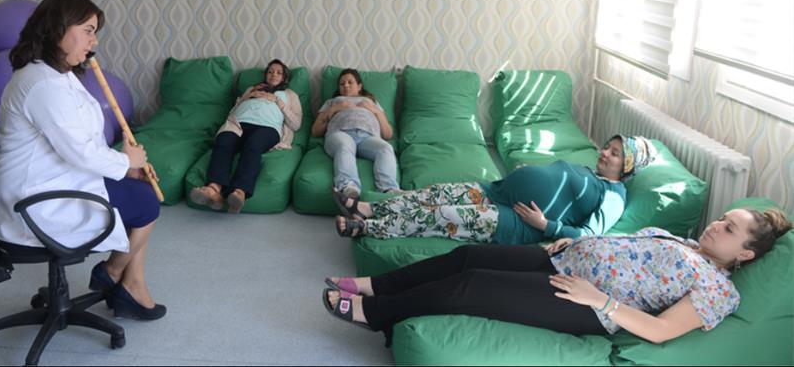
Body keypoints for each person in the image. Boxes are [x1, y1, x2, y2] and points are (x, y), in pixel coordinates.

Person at [323, 207, 793, 345]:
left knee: (474, 285)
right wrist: (571, 242)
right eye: (722, 218)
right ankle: (376, 284)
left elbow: (661, 330)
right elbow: (625, 246)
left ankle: (376, 313)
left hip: (585, 303)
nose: (716, 225)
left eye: (729, 229)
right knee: (468, 255)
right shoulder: (684, 242)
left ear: (745, 254)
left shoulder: (717, 289)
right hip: (564, 260)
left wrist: (598, 300)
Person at [0, 0, 166, 320]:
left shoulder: (54, 75)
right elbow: (81, 153)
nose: (94, 42)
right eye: (87, 30)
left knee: (138, 192)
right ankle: (114, 274)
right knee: (146, 204)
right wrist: (127, 161)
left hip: (51, 180)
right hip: (36, 200)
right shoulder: (43, 85)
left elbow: (81, 140)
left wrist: (125, 167)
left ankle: (131, 284)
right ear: (58, 27)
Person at [334, 135, 656, 246]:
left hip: (515, 221)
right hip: (498, 190)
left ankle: (370, 228)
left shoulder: (614, 196)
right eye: (607, 147)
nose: (604, 153)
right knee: (435, 194)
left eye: (615, 153)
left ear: (627, 166)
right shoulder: (592, 174)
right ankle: (367, 208)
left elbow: (589, 235)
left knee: (443, 215)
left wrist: (546, 225)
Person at [190, 59, 302, 213]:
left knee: (253, 145)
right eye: (270, 71)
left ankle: (239, 192)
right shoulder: (251, 88)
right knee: (224, 141)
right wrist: (245, 98)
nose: (274, 75)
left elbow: (296, 124)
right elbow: (232, 112)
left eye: (279, 72)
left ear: (284, 77)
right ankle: (214, 189)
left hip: (267, 127)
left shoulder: (289, 95)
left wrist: (277, 101)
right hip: (238, 124)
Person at [312, 68, 400, 201]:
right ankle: (347, 187)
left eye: (350, 82)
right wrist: (335, 108)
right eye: (342, 83)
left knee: (386, 148)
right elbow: (316, 131)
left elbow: (388, 134)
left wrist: (375, 111)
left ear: (359, 86)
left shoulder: (371, 102)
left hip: (368, 137)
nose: (346, 85)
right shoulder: (332, 102)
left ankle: (388, 190)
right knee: (345, 145)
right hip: (340, 133)